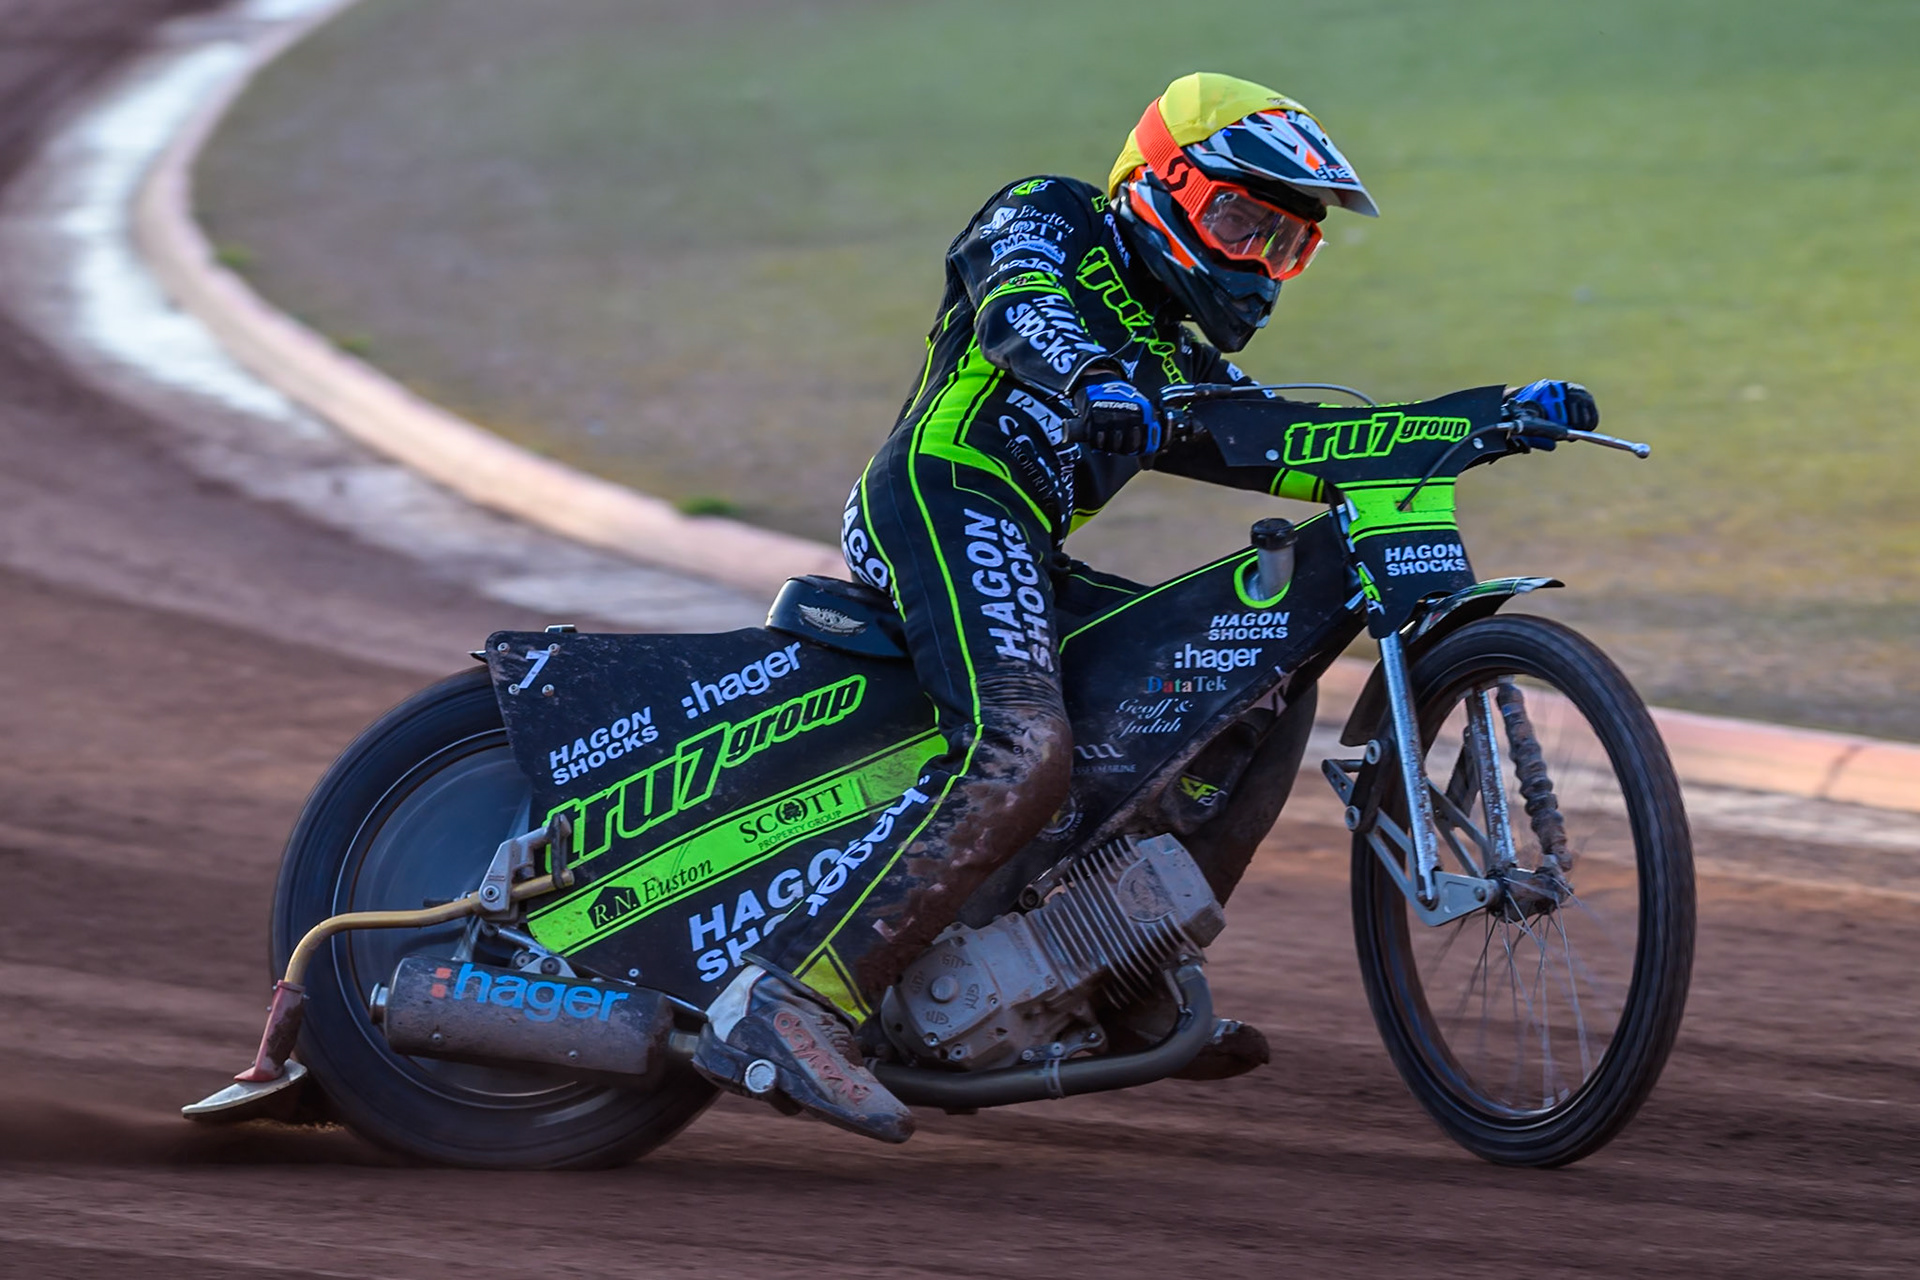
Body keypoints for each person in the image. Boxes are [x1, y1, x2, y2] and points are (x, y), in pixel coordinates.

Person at [691, 72, 1597, 1142]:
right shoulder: (1052, 213)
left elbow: (1297, 444)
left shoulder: (1176, 362)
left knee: (1258, 676)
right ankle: (788, 996)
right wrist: (1090, 378)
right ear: (1156, 184)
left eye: (1287, 246)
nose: (1260, 269)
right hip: (939, 494)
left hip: (1026, 546)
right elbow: (1017, 305)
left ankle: (1118, 967)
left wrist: (1487, 415)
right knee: (1023, 743)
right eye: (1240, 223)